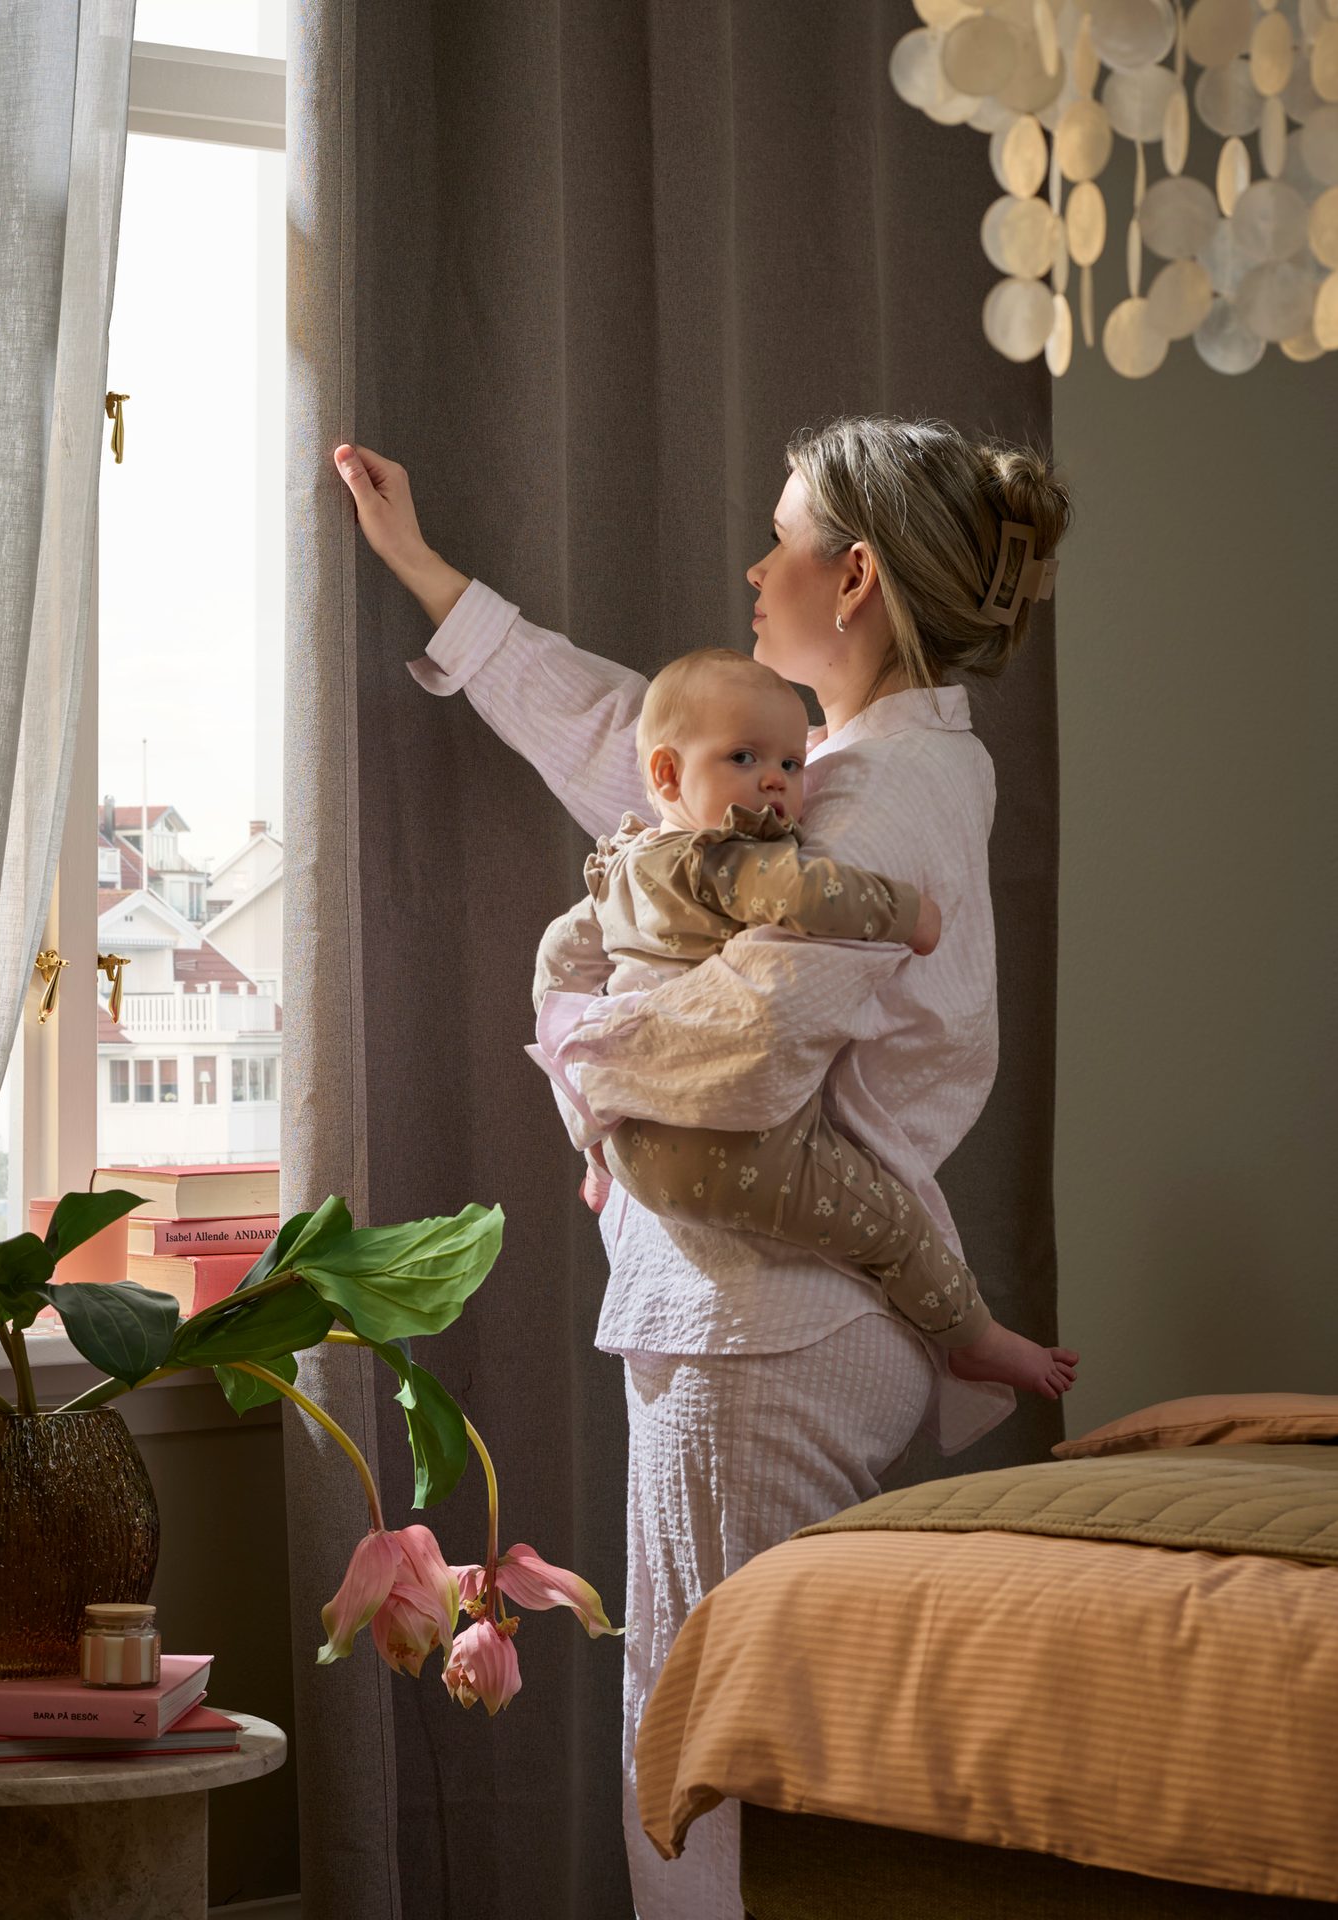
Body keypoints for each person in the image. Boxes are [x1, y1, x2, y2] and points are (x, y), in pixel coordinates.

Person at [335, 415, 1078, 1920]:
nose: (751, 568)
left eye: (781, 536)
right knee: (753, 1730)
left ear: (853, 575)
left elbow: (745, 1053)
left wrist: (573, 1048)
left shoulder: (861, 802)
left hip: (760, 1324)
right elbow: (642, 754)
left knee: (696, 1736)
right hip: (801, 1316)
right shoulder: (867, 767)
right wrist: (433, 581)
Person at [532, 644, 1076, 1393]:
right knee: (886, 1221)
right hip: (723, 1148)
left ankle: (600, 1161)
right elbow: (807, 893)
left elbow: (558, 961)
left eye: (791, 766)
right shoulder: (715, 863)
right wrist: (906, 913)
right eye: (744, 757)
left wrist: (588, 1122)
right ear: (664, 774)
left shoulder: (622, 870)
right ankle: (972, 1337)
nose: (775, 781)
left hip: (631, 1144)